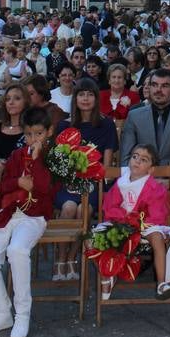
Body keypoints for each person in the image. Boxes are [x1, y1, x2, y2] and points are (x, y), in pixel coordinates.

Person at [0, 107, 56, 337]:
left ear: (49, 132)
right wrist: (19, 182)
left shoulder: (53, 158)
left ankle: (23, 314)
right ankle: (3, 313)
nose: (34, 139)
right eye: (30, 134)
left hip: (34, 216)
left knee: (17, 250)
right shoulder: (16, 155)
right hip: (9, 213)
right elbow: (4, 186)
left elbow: (46, 189)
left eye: (39, 134)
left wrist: (37, 161)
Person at [54, 79, 117, 281]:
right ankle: (60, 257)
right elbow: (59, 163)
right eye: (81, 94)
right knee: (69, 208)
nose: (86, 98)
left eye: (90, 94)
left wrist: (93, 180)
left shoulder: (106, 124)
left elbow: (106, 166)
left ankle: (73, 256)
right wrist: (70, 180)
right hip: (68, 183)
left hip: (94, 183)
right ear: (75, 98)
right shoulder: (64, 125)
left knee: (83, 209)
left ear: (96, 98)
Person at [120, 68, 170, 229]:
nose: (158, 90)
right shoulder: (134, 116)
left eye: (165, 86)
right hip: (139, 178)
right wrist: (140, 180)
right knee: (130, 208)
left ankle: (169, 246)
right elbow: (126, 157)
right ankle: (142, 247)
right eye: (154, 85)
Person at [100, 144, 170, 300]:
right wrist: (124, 217)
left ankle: (162, 284)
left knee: (157, 238)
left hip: (145, 224)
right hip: (122, 223)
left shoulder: (155, 188)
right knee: (98, 238)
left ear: (150, 169)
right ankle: (109, 274)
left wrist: (138, 220)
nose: (137, 161)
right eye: (135, 157)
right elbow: (110, 207)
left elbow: (155, 214)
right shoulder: (121, 184)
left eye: (143, 160)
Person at [0, 85, 29, 181]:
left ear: (26, 102)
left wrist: (3, 165)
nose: (11, 102)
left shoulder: (30, 132)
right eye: (7, 99)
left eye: (17, 98)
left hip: (14, 181)